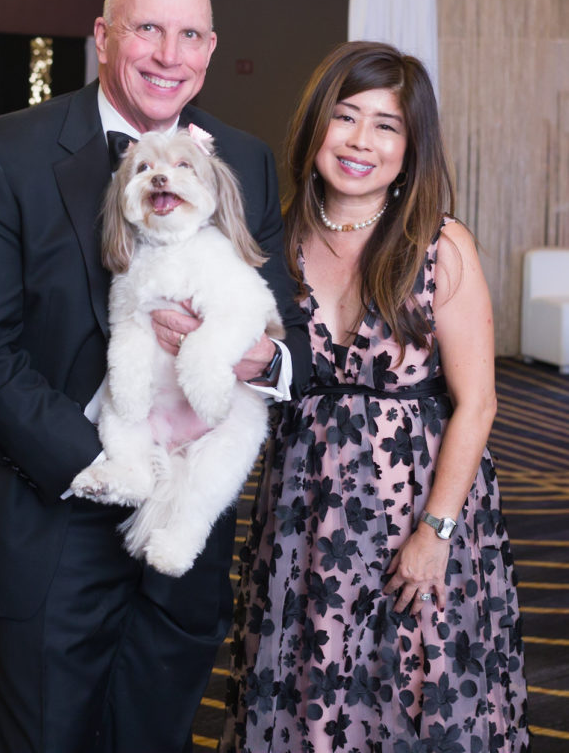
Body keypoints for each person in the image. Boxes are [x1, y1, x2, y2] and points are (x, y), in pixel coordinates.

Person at [0, 0, 310, 753]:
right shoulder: (8, 152)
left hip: (185, 516)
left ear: (210, 49)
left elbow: (290, 337)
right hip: (51, 506)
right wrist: (106, 461)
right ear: (103, 36)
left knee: (156, 736)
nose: (168, 56)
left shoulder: (240, 158)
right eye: (147, 29)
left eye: (189, 35)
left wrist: (259, 363)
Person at [220, 41, 529, 752]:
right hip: (303, 514)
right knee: (307, 685)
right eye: (346, 117)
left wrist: (435, 533)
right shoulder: (275, 238)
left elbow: (477, 402)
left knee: (416, 689)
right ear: (315, 126)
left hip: (414, 512)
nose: (361, 141)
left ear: (410, 145)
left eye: (386, 126)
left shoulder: (438, 244)